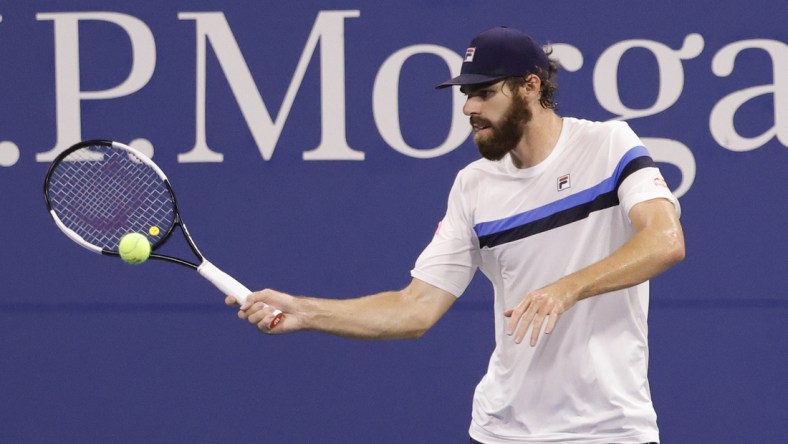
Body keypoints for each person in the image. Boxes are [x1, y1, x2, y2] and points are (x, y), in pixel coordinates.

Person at [227, 26, 685, 444]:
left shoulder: (608, 146)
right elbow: (415, 309)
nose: (469, 107)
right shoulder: (474, 185)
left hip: (610, 431)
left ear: (531, 86)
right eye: (467, 94)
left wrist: (565, 289)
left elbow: (665, 240)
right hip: (502, 432)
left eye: (484, 93)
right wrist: (306, 312)